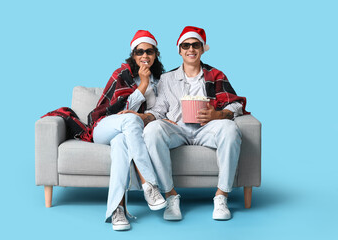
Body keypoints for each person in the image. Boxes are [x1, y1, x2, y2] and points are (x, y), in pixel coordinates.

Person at [131, 26, 248, 221]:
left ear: (202, 49)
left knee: (230, 128)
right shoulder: (167, 79)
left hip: (207, 129)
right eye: (186, 45)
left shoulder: (216, 75)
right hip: (178, 129)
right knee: (152, 131)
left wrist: (217, 115)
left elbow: (236, 105)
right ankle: (170, 196)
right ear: (179, 50)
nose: (190, 49)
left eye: (195, 45)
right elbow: (158, 110)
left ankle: (221, 196)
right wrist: (144, 117)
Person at [91, 30, 166, 231]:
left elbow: (161, 112)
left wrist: (148, 115)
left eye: (149, 51)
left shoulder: (161, 81)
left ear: (156, 54)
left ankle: (117, 209)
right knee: (131, 120)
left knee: (120, 145)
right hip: (104, 126)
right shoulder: (122, 75)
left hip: (128, 134)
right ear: (133, 55)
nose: (144, 56)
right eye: (139, 52)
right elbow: (123, 111)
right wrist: (142, 84)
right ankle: (149, 183)